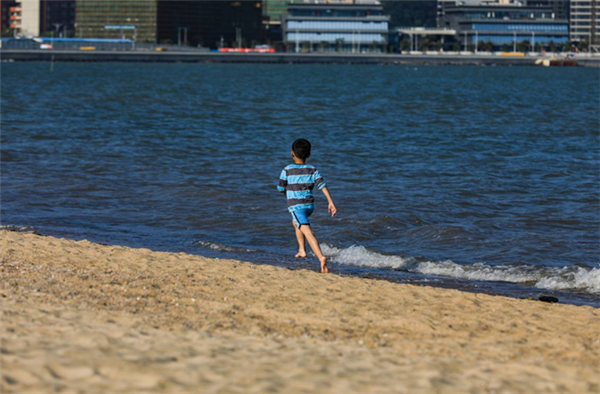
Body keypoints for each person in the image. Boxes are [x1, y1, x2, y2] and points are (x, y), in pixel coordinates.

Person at [277, 139, 337, 273]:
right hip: (309, 206)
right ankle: (302, 250)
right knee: (296, 223)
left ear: (292, 153)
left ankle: (321, 257)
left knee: (307, 231)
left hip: (295, 206)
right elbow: (322, 185)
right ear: (308, 154)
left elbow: (280, 188)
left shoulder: (287, 170)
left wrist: (287, 191)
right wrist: (330, 201)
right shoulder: (312, 169)